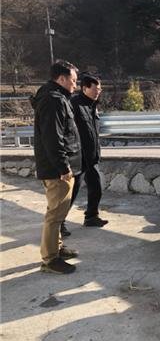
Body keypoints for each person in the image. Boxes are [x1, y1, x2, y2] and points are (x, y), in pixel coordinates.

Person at [31, 60, 81, 274]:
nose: (75, 85)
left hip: (59, 167)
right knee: (54, 215)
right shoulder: (53, 100)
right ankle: (50, 260)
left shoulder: (56, 97)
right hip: (57, 171)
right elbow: (53, 138)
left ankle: (57, 249)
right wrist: (63, 167)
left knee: (58, 213)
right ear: (61, 79)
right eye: (73, 81)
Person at [61, 73, 108, 235]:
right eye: (95, 89)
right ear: (85, 88)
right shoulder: (74, 104)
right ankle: (59, 223)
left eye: (100, 89)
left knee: (97, 186)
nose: (98, 92)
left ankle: (91, 217)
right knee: (72, 192)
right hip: (78, 157)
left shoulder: (92, 105)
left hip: (92, 156)